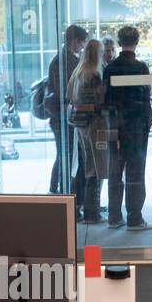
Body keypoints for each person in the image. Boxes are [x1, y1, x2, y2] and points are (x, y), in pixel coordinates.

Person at [103, 25, 152, 231]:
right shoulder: (141, 67)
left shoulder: (109, 68)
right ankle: (135, 217)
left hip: (114, 123)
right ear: (137, 42)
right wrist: (148, 118)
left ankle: (114, 216)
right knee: (135, 171)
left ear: (118, 42)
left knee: (115, 170)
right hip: (135, 126)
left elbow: (105, 98)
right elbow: (145, 97)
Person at [67, 39, 109, 224]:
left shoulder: (78, 72)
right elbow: (101, 100)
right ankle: (92, 212)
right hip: (94, 123)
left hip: (80, 124)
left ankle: (78, 209)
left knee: (83, 166)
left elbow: (69, 97)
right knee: (95, 168)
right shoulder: (94, 74)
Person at [45, 24, 88, 194]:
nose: (82, 47)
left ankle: (57, 190)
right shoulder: (66, 61)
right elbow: (67, 90)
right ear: (75, 41)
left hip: (61, 114)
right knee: (66, 155)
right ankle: (59, 192)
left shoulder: (59, 59)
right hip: (63, 115)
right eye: (81, 43)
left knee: (64, 154)